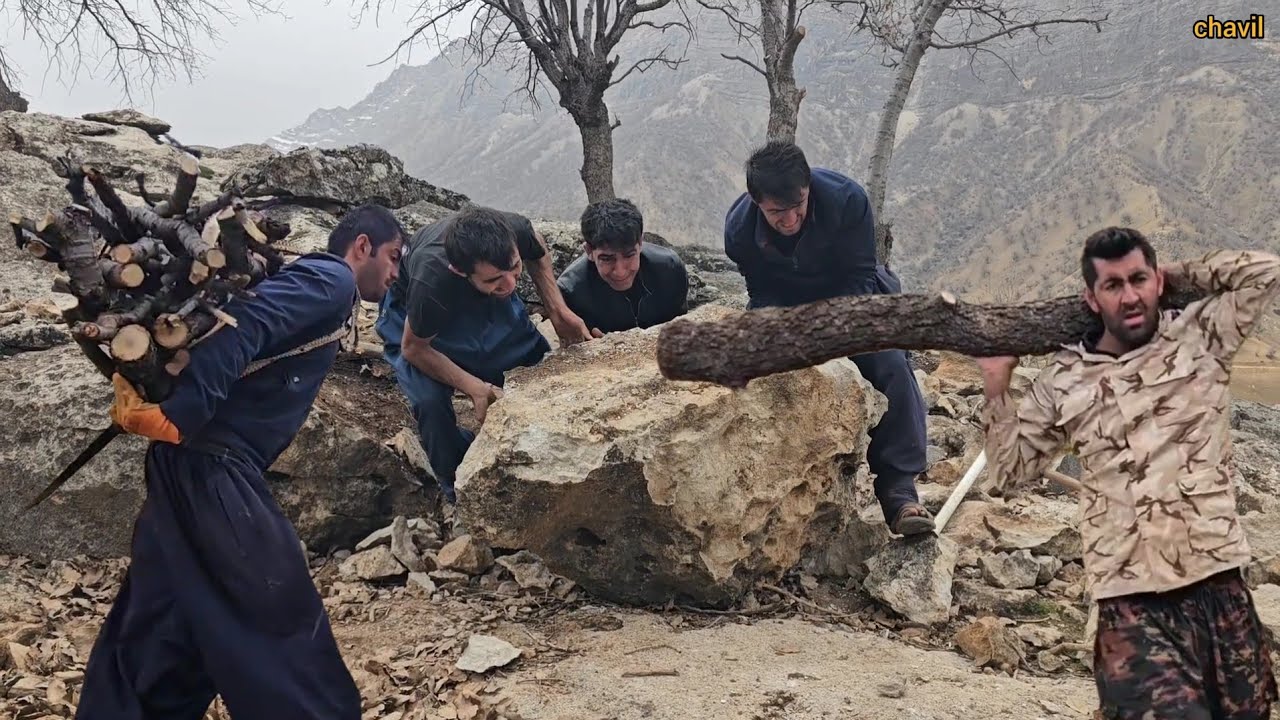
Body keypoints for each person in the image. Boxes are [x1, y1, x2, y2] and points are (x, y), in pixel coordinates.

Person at [77, 204, 407, 720]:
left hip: (184, 466)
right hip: (212, 468)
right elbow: (248, 321)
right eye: (394, 257)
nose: (395, 273)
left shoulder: (323, 288)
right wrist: (184, 412)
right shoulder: (332, 279)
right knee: (277, 608)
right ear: (362, 246)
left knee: (160, 625)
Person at [975, 227, 1280, 719]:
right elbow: (1007, 473)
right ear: (1091, 299)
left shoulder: (1202, 336)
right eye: (1112, 285)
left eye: (1138, 279)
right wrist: (996, 387)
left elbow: (1266, 272)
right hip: (1130, 601)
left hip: (1218, 583)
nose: (1130, 296)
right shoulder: (1064, 379)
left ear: (1156, 280)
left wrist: (1176, 277)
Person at [723, 140, 933, 535]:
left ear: (808, 188)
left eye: (797, 206)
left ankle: (899, 492)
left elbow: (860, 276)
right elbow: (760, 290)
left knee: (889, 362)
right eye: (776, 212)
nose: (789, 220)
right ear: (756, 202)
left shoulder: (848, 200)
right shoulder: (738, 230)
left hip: (851, 294)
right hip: (785, 301)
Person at [375, 205, 593, 504]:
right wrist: (474, 387)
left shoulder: (511, 231)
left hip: (482, 298)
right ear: (459, 270)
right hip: (415, 321)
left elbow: (537, 246)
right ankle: (457, 484)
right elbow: (414, 348)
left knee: (535, 366)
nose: (511, 284)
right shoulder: (433, 278)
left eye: (514, 268)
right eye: (495, 278)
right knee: (430, 403)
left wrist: (557, 309)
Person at [557, 197, 689, 334]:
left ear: (640, 243)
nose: (620, 272)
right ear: (589, 251)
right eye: (607, 259)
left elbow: (681, 326)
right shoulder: (570, 292)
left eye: (629, 255)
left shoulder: (670, 269)